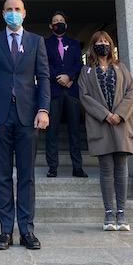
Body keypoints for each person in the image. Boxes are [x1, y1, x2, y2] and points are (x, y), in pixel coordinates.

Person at [0, 0, 50, 251]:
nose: (13, 13)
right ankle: (5, 231)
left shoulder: (36, 41)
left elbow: (43, 77)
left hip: (28, 116)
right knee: (3, 175)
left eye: (17, 9)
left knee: (27, 176)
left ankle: (27, 231)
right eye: (9, 9)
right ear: (2, 14)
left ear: (24, 13)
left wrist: (43, 109)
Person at [78, 31, 133, 231]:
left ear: (111, 45)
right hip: (100, 124)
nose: (103, 45)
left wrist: (118, 114)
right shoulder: (86, 71)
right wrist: (105, 114)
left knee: (121, 168)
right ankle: (108, 213)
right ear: (93, 46)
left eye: (106, 42)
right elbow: (84, 96)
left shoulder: (121, 68)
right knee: (106, 170)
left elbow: (130, 91)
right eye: (99, 42)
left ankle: (122, 213)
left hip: (121, 123)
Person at [44, 10, 86, 178]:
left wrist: (70, 76)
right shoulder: (44, 44)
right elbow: (44, 64)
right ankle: (52, 167)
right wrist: (58, 77)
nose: (58, 23)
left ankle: (78, 167)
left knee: (75, 131)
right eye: (55, 21)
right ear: (50, 25)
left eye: (61, 20)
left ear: (66, 25)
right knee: (51, 131)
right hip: (54, 92)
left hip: (72, 90)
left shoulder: (75, 43)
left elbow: (78, 64)